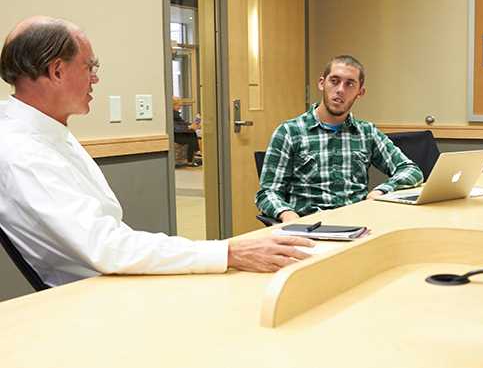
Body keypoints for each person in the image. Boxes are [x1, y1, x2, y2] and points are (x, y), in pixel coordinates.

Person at [0, 16, 313, 288]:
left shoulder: (47, 132)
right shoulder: (22, 151)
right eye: (89, 66)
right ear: (56, 71)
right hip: (94, 299)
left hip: (114, 278)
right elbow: (107, 248)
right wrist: (230, 252)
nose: (95, 77)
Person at [256, 55, 423, 222]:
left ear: (360, 92)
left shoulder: (367, 132)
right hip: (310, 226)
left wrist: (382, 191)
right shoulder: (289, 132)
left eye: (350, 84)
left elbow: (411, 170)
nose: (340, 90)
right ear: (322, 83)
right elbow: (267, 193)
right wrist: (287, 214)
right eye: (334, 81)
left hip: (359, 225)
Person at [172, 97, 201, 166]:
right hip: (175, 135)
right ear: (173, 105)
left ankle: (194, 154)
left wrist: (191, 125)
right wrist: (189, 127)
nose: (180, 107)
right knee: (191, 137)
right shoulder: (171, 115)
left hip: (178, 133)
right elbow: (176, 128)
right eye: (178, 105)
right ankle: (191, 158)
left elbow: (182, 123)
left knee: (192, 133)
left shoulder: (175, 114)